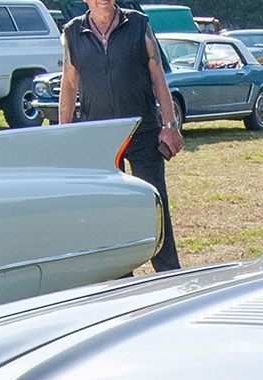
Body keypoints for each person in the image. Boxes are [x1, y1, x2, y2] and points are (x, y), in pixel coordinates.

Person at [59, 0, 183, 271]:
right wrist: (64, 134)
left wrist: (170, 124)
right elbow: (69, 83)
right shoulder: (72, 32)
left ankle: (168, 272)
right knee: (111, 211)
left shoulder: (138, 24)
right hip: (100, 139)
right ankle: (120, 275)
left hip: (143, 132)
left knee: (153, 206)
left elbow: (157, 74)